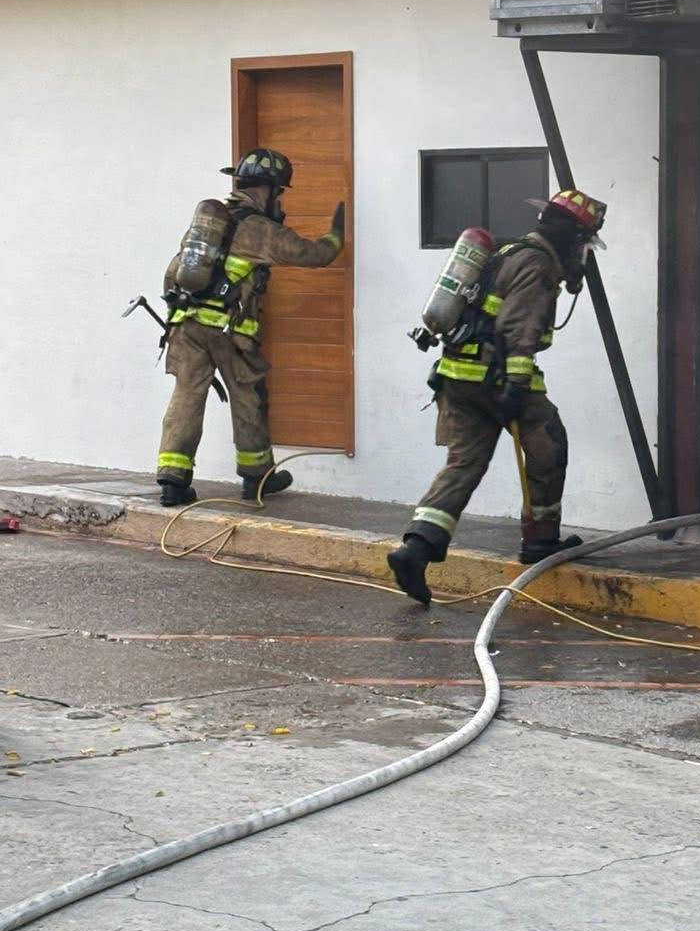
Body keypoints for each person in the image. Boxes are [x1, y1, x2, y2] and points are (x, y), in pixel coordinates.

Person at [388, 189, 607, 605]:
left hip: (457, 375)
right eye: (584, 245)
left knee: (464, 463)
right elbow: (518, 328)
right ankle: (540, 539)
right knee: (548, 443)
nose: (584, 255)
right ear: (573, 238)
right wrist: (516, 387)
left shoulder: (507, 251)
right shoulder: (538, 265)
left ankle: (416, 547)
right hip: (496, 377)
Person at [156, 147, 344, 507]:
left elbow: (172, 274)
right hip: (229, 332)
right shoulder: (260, 230)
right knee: (248, 398)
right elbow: (314, 255)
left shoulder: (208, 225)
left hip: (186, 325)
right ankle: (257, 477)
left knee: (187, 396)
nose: (280, 200)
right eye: (279, 192)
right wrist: (338, 232)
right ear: (267, 190)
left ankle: (172, 480)